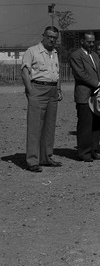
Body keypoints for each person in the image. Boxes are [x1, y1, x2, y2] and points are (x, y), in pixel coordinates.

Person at [21, 26, 63, 172]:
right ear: (43, 35)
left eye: (55, 38)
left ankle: (46, 157)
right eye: (49, 36)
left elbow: (57, 73)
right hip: (37, 89)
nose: (52, 39)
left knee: (49, 126)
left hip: (52, 91)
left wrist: (58, 89)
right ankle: (32, 160)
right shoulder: (32, 51)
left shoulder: (55, 53)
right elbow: (25, 73)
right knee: (35, 127)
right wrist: (31, 91)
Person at [69, 31, 100, 162]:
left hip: (97, 95)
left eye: (93, 42)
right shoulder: (76, 55)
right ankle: (83, 152)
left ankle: (94, 150)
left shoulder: (95, 55)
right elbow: (81, 74)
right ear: (82, 41)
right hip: (84, 95)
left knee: (96, 124)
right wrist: (97, 84)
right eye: (89, 42)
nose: (91, 44)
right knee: (85, 125)